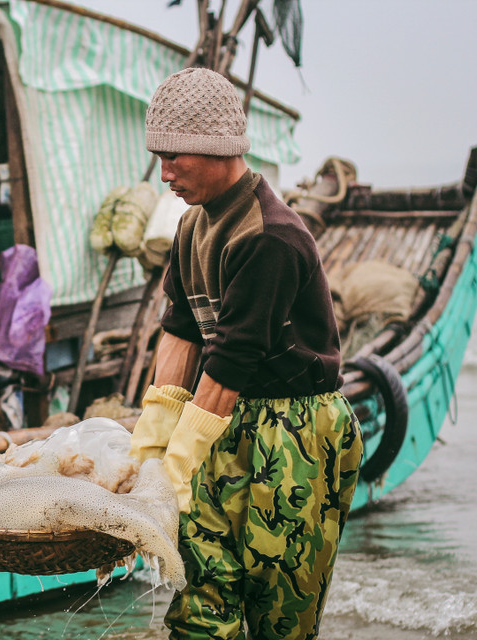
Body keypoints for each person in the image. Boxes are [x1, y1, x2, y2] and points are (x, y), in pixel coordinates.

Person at [129, 67, 364, 640]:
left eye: (175, 159)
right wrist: (154, 443)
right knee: (200, 604)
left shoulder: (270, 236)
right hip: (219, 420)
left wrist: (177, 468)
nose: (165, 175)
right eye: (158, 157)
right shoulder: (191, 226)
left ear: (216, 149)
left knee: (277, 613)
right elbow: (181, 331)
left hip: (293, 433)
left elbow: (229, 364)